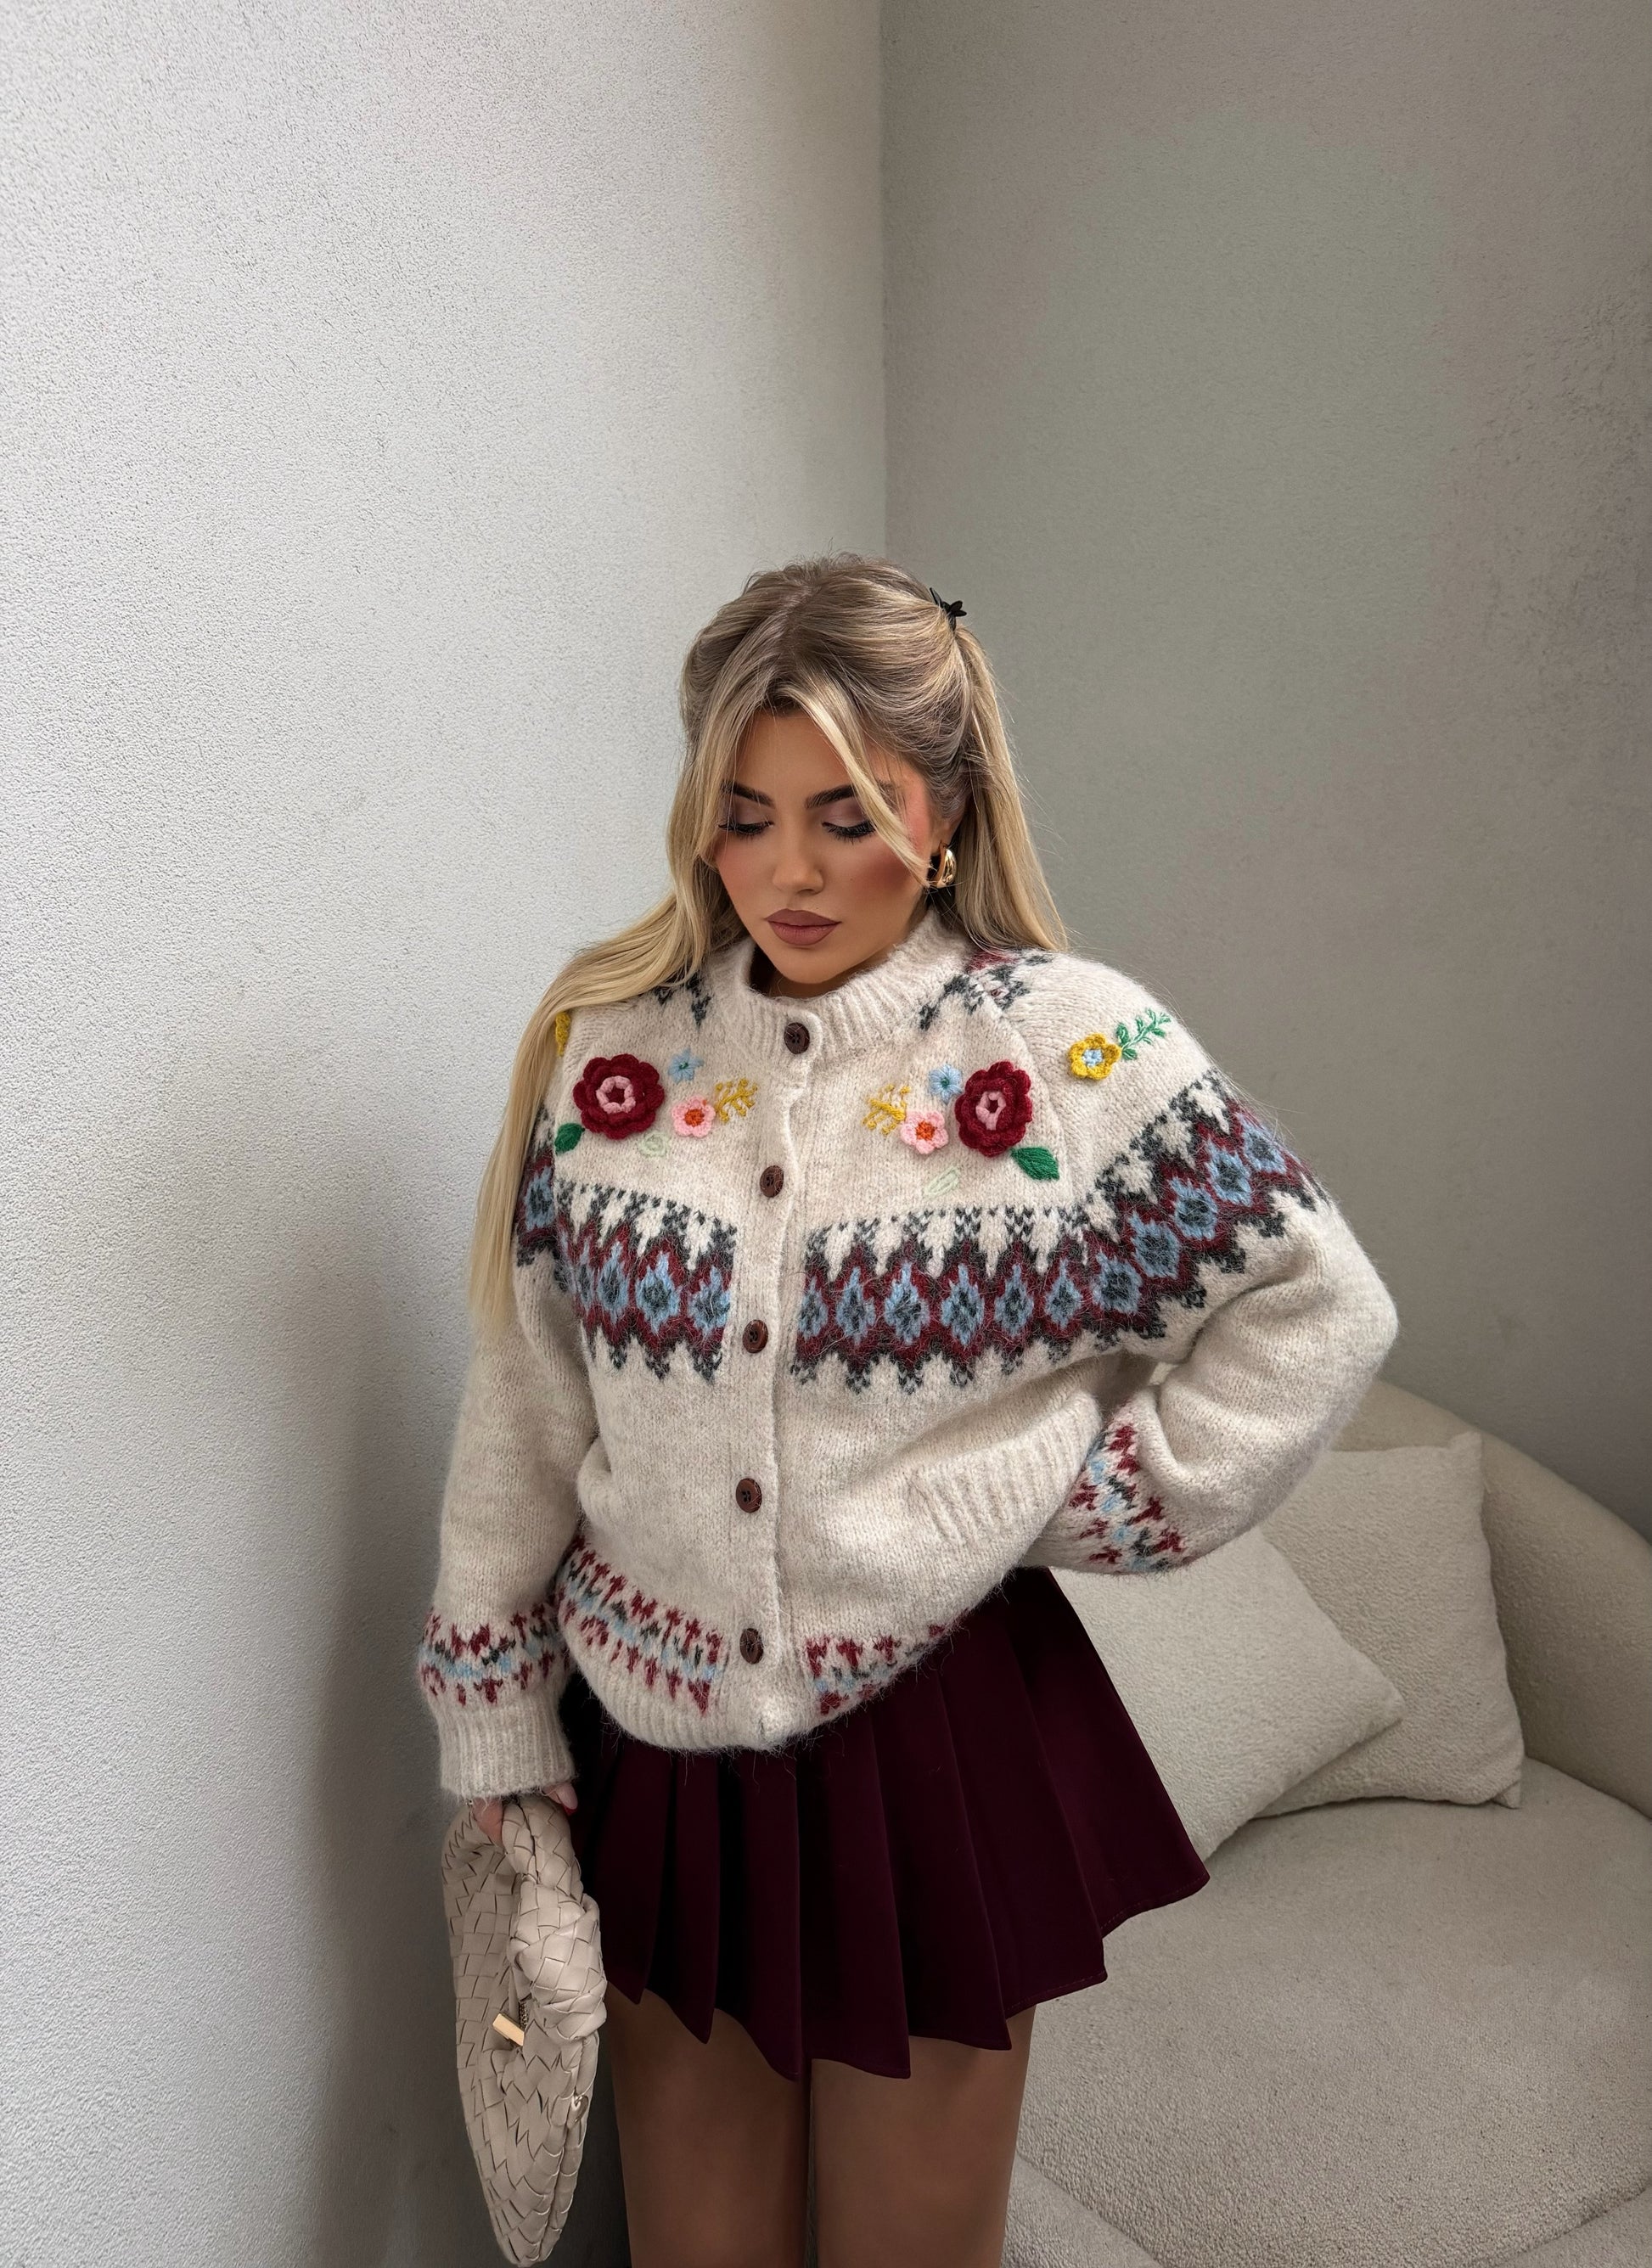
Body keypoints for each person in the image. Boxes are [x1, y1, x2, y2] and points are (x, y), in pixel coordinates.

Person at [419, 553, 1399, 2267]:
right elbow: (527, 1408)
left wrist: (1084, 1498)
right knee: (695, 2245)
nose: (788, 869)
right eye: (743, 816)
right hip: (656, 1742)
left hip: (932, 1741)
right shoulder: (609, 1054)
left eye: (847, 813)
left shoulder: (1073, 1051)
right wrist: (498, 1717)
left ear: (943, 814)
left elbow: (1318, 1307)